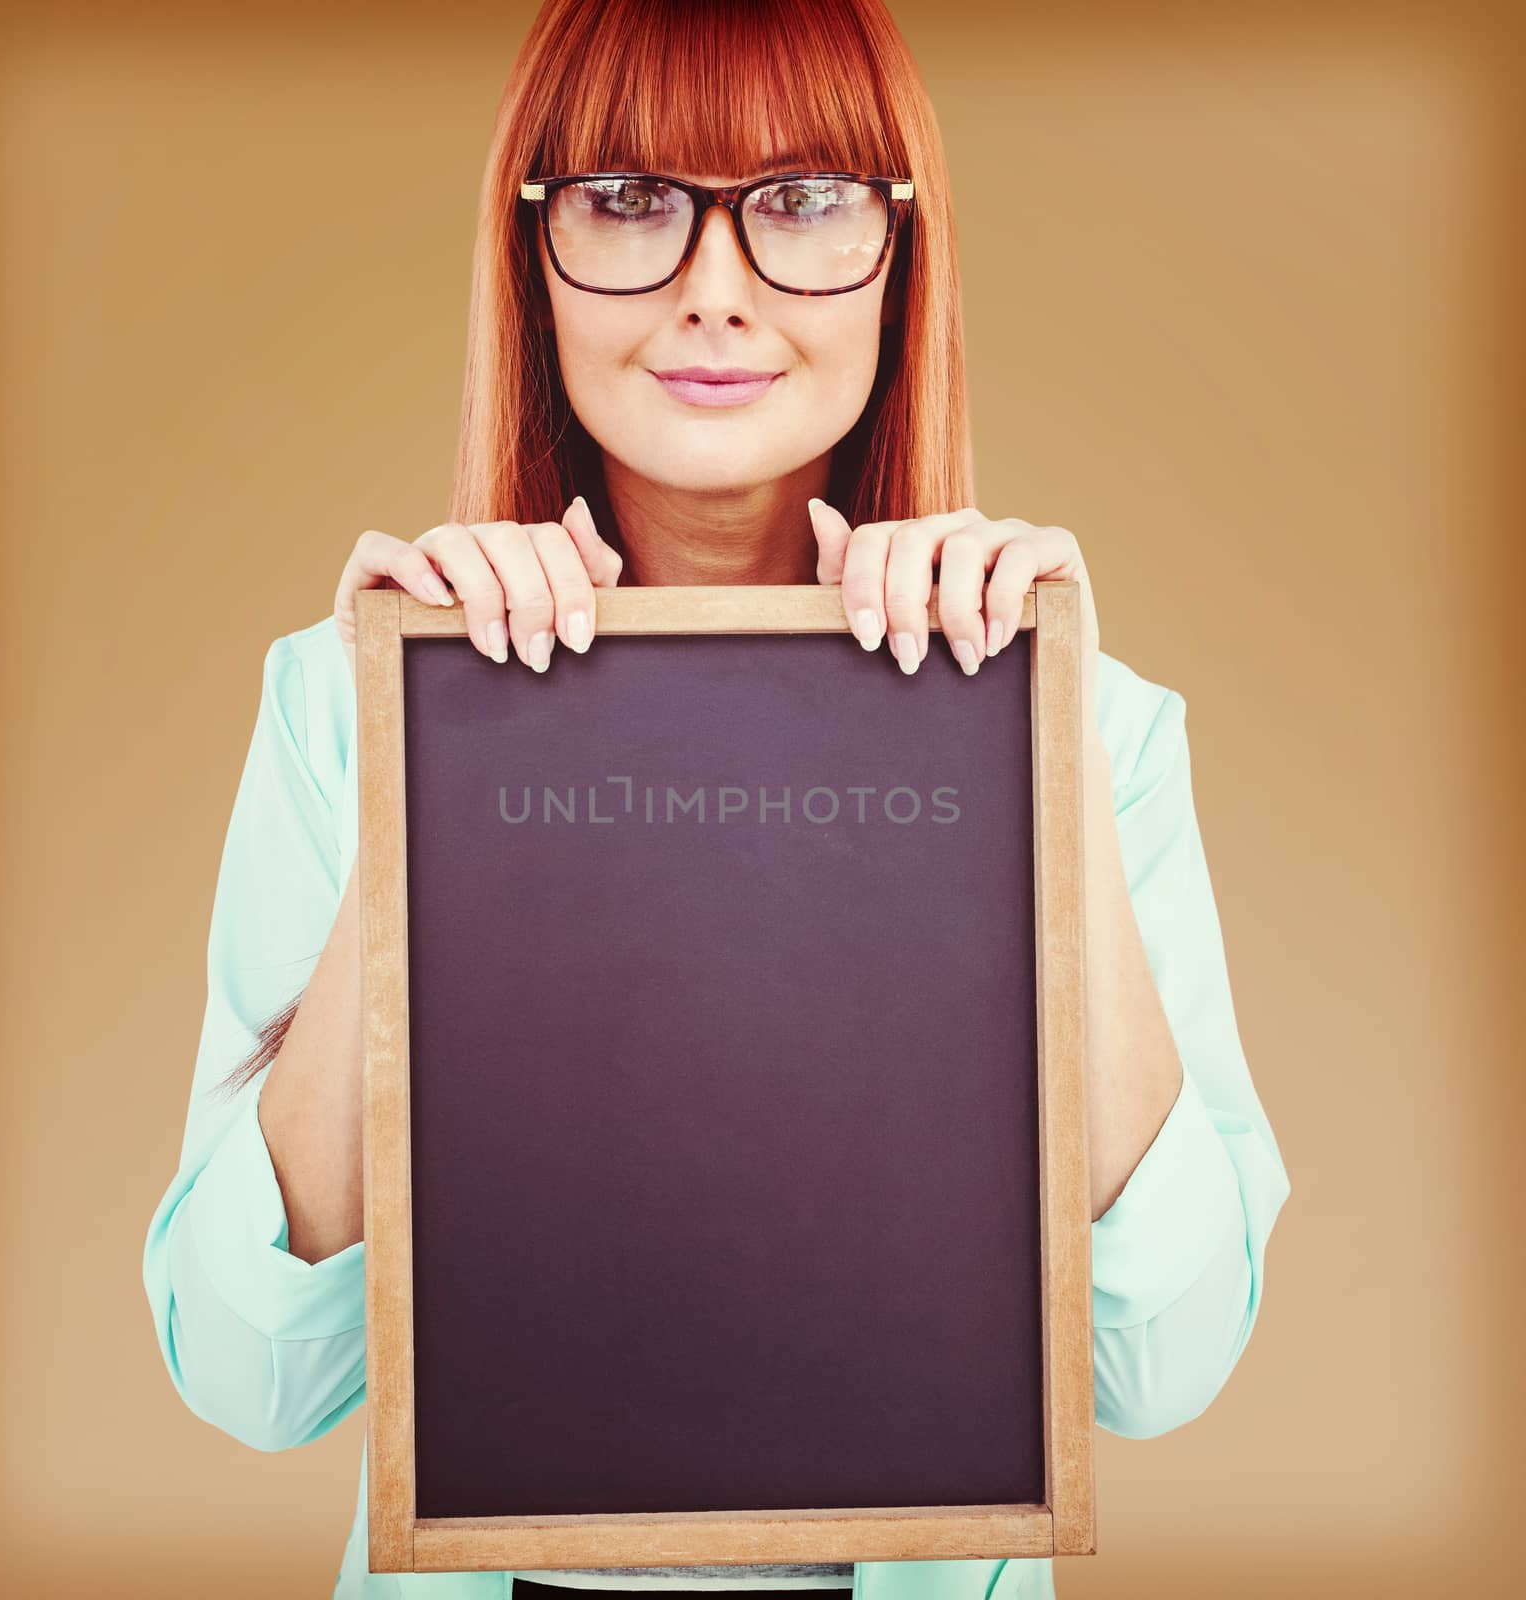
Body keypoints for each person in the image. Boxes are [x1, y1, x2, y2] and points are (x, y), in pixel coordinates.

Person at [141, 1, 1292, 1596]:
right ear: (531, 253)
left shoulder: (1100, 724)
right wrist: (427, 730)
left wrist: (1040, 704)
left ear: (903, 254)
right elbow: (254, 1376)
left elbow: (1158, 1369)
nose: (715, 290)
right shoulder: (343, 705)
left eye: (805, 201)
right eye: (627, 199)